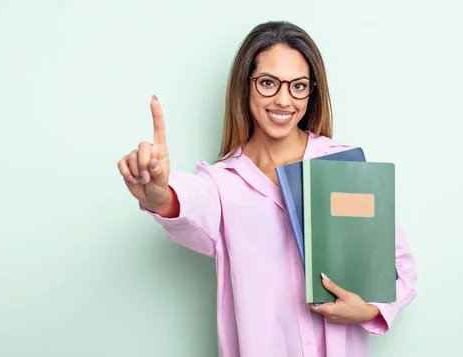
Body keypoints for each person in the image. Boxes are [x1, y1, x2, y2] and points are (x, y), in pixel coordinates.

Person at [117, 21, 417, 357]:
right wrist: (159, 195)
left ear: (312, 91)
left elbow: (398, 266)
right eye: (268, 83)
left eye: (298, 86)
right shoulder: (222, 183)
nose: (284, 100)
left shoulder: (343, 167)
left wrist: (369, 311)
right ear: (245, 87)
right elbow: (188, 202)